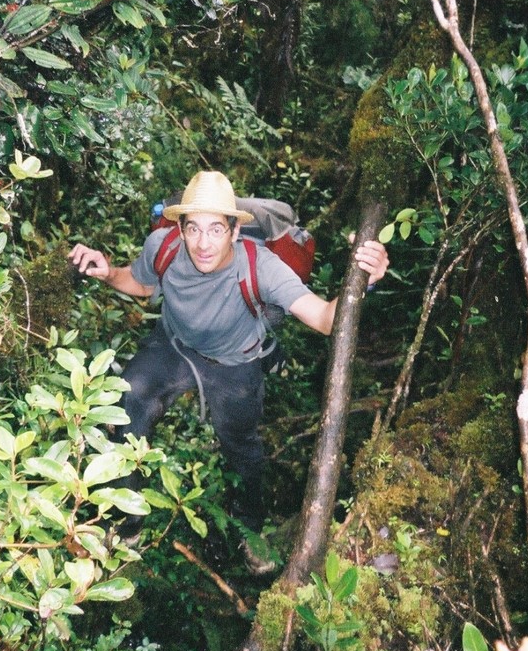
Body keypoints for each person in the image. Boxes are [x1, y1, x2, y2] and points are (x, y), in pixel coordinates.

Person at [69, 171, 389, 573]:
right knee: (126, 402)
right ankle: (126, 525)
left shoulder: (262, 266)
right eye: (194, 229)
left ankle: (251, 529)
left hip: (234, 365)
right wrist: (108, 272)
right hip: (174, 347)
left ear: (235, 230)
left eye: (216, 229)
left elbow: (326, 319)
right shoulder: (163, 246)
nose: (203, 243)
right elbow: (142, 283)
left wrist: (363, 281)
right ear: (180, 229)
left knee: (243, 451)